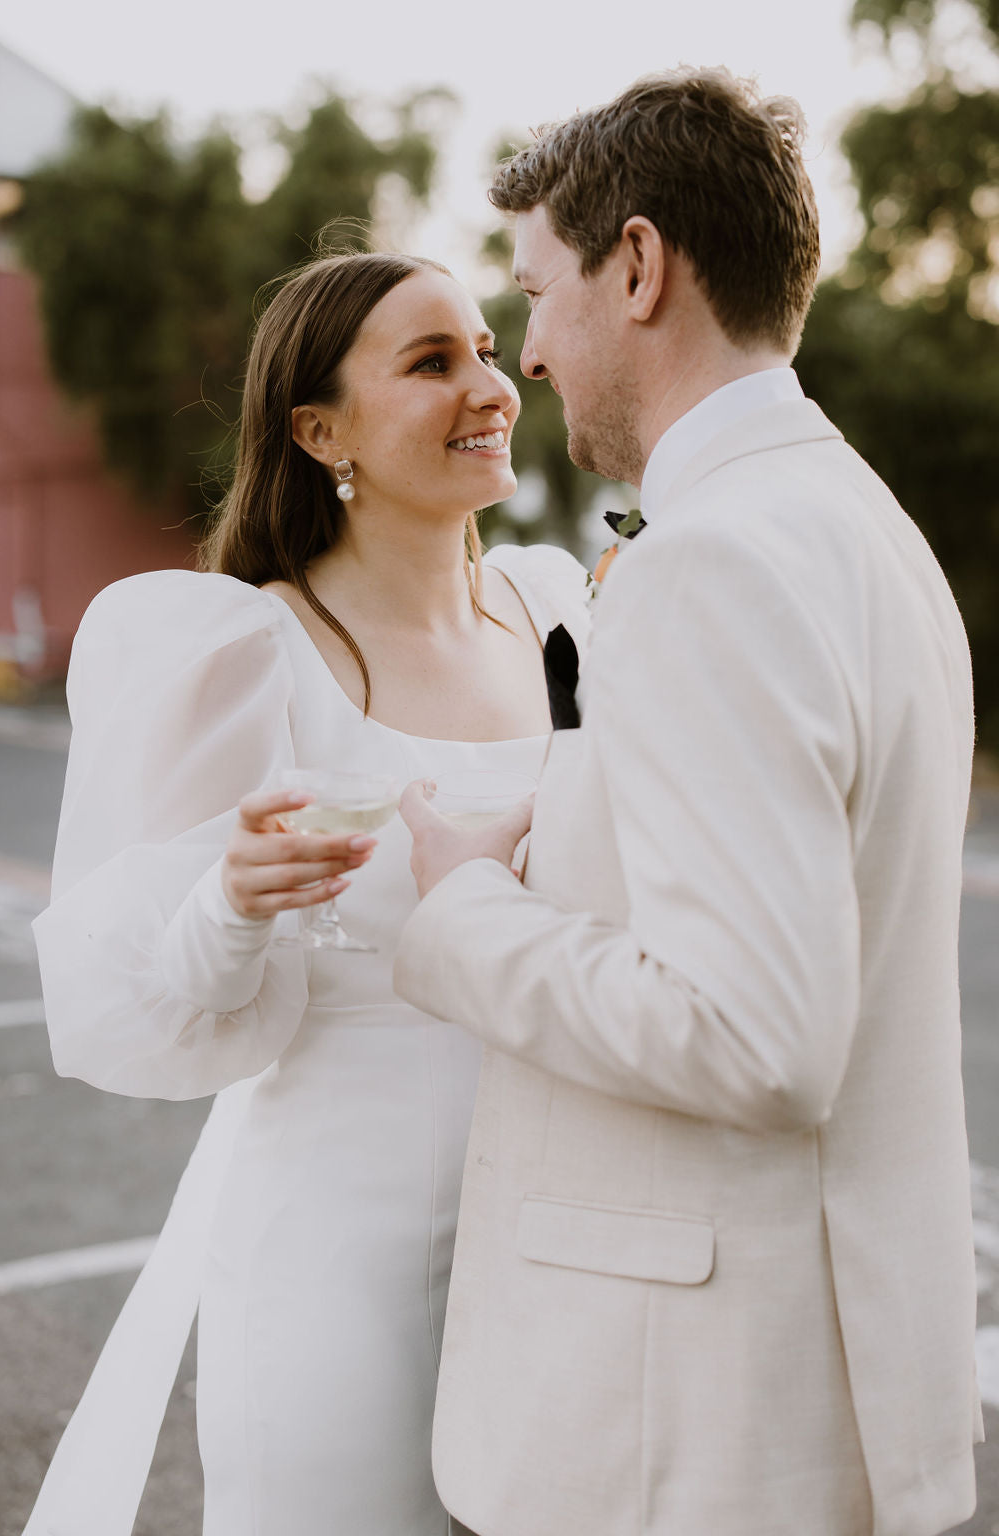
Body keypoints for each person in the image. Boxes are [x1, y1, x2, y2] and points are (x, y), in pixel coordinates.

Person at [395, 68, 982, 1536]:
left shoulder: (717, 561)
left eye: (536, 293)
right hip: (793, 1390)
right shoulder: (863, 525)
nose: (526, 353)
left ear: (640, 267)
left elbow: (758, 1036)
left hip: (685, 1434)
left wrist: (466, 905)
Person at [25, 250, 588, 1536]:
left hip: (566, 1231)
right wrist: (231, 903)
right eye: (431, 362)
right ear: (317, 428)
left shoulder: (559, 612)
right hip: (341, 1252)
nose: (488, 387)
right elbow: (153, 1008)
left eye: (488, 352)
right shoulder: (239, 650)